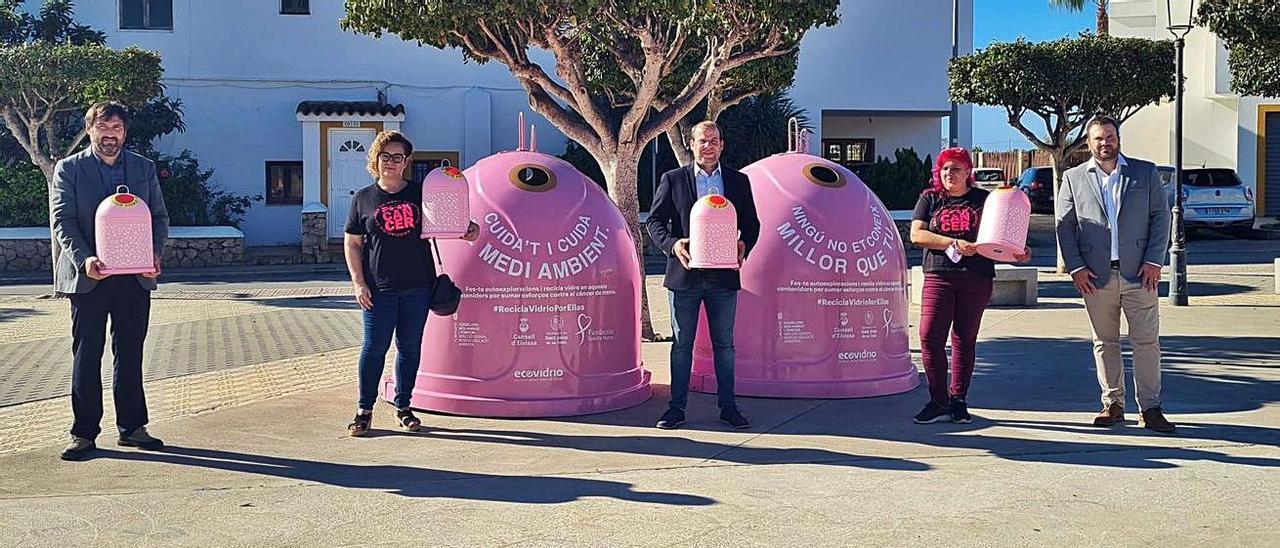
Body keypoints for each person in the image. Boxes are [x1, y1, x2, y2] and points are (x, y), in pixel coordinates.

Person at [50, 101, 170, 460]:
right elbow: (63, 222)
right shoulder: (68, 169)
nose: (110, 135)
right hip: (89, 278)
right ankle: (84, 434)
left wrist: (154, 255)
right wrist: (84, 259)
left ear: (125, 132)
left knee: (130, 354)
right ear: (90, 130)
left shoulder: (142, 168)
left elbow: (158, 218)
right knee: (88, 355)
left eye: (116, 129)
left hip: (134, 278)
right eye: (103, 128)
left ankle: (133, 428)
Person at [343, 130, 478, 436]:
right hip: (379, 289)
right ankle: (364, 411)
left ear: (406, 162)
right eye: (385, 156)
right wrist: (358, 283)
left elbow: (450, 223)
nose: (391, 162)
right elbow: (352, 244)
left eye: (398, 157)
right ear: (376, 159)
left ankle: (403, 407)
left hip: (418, 286)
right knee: (374, 348)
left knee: (409, 348)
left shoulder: (422, 194)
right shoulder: (362, 199)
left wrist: (469, 229)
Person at [1056, 116, 1175, 433]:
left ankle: (1150, 408)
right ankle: (1113, 404)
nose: (1104, 142)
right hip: (1095, 277)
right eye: (1098, 138)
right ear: (1088, 142)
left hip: (1140, 273)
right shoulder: (1073, 178)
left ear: (1118, 138)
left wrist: (1154, 260)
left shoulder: (1144, 172)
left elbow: (1161, 218)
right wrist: (1076, 267)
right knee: (1104, 342)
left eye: (1109, 136)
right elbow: (1065, 227)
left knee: (1147, 342)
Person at [645, 121, 761, 430]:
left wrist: (743, 244)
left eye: (713, 140)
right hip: (685, 277)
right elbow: (654, 221)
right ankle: (675, 409)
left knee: (725, 345)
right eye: (702, 140)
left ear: (722, 145)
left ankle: (729, 407)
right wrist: (673, 245)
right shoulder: (673, 179)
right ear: (691, 145)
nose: (708, 145)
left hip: (723, 278)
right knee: (682, 344)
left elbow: (752, 224)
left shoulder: (739, 182)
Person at [910, 147, 1029, 425]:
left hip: (976, 277)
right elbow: (917, 234)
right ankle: (937, 401)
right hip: (939, 275)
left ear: (968, 173)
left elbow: (1002, 237)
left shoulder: (984, 200)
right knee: (929, 337)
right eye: (945, 169)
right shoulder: (929, 199)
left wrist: (1020, 253)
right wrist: (952, 243)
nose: (950, 174)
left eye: (956, 168)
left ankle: (958, 400)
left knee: (964, 339)